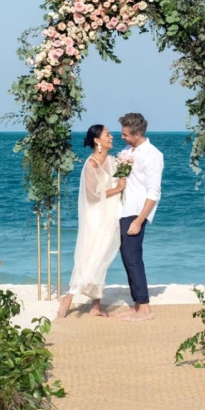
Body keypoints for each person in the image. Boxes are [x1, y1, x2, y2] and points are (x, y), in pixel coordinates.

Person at [55, 125, 127, 319]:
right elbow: (92, 195)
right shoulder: (92, 164)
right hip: (96, 217)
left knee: (102, 258)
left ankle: (96, 305)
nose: (111, 137)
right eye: (107, 134)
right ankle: (68, 297)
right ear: (97, 140)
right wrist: (118, 189)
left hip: (111, 215)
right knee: (91, 257)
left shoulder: (113, 161)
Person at [115, 112, 164, 321]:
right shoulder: (127, 150)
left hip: (135, 211)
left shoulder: (152, 155)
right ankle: (136, 304)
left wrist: (140, 219)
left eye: (126, 134)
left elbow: (154, 192)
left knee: (134, 259)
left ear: (137, 134)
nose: (122, 137)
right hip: (121, 209)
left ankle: (144, 308)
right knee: (126, 258)